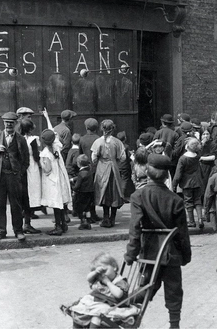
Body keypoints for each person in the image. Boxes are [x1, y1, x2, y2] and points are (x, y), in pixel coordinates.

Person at [124, 153, 192, 329]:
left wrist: (131, 252)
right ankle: (174, 325)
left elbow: (135, 227)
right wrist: (186, 256)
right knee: (174, 291)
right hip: (171, 254)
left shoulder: (138, 196)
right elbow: (182, 233)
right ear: (166, 175)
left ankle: (124, 312)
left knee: (146, 288)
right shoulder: (175, 200)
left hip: (149, 252)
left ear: (147, 171)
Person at [0, 112, 29, 242]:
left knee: (16, 205)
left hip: (14, 177)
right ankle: (0, 231)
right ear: (3, 123)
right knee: (0, 204)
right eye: (6, 123)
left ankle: (18, 231)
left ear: (15, 124)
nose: (9, 125)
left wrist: (19, 173)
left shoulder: (20, 139)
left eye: (11, 123)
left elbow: (26, 160)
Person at [67, 252, 132, 329]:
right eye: (100, 273)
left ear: (114, 267)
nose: (102, 275)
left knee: (96, 317)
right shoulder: (100, 279)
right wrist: (95, 272)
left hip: (115, 308)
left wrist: (108, 282)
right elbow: (88, 278)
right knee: (77, 311)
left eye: (104, 271)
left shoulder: (120, 281)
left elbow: (119, 294)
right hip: (100, 306)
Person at [40, 108, 72, 236]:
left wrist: (40, 163)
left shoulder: (45, 153)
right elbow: (52, 132)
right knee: (60, 204)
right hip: (61, 178)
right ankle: (63, 224)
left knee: (55, 204)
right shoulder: (57, 146)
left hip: (52, 181)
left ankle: (58, 226)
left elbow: (47, 170)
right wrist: (47, 117)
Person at [91, 120, 126, 228]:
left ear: (102, 129)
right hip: (114, 168)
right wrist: (115, 162)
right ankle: (113, 218)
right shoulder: (117, 142)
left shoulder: (98, 142)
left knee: (104, 192)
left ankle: (106, 218)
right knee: (114, 192)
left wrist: (100, 162)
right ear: (113, 128)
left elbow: (93, 158)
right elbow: (123, 157)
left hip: (102, 168)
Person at [172, 137, 204, 228]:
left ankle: (191, 221)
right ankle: (200, 219)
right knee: (198, 200)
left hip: (187, 183)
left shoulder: (182, 159)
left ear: (187, 146)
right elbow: (199, 151)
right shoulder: (197, 156)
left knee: (188, 201)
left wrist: (174, 184)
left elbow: (178, 173)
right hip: (197, 181)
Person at [19, 118, 41, 234]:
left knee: (25, 194)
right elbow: (36, 156)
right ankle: (27, 223)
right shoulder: (33, 140)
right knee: (31, 194)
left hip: (22, 168)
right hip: (32, 167)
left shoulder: (19, 138)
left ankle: (24, 222)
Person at [79, 118, 101, 223]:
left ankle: (88, 215)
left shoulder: (82, 139)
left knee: (87, 194)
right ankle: (93, 213)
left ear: (86, 127)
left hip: (86, 169)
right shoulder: (99, 139)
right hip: (96, 168)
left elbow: (80, 154)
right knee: (94, 192)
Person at [71, 154, 94, 230]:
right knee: (87, 208)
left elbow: (77, 186)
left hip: (82, 193)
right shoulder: (89, 171)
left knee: (79, 209)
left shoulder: (81, 173)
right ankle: (88, 221)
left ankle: (83, 221)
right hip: (90, 192)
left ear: (79, 163)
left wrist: (72, 187)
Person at [116, 131, 135, 202]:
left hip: (117, 166)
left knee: (118, 180)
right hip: (124, 166)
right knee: (124, 180)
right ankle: (122, 196)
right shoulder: (126, 146)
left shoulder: (115, 146)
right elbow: (129, 157)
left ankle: (118, 195)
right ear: (125, 138)